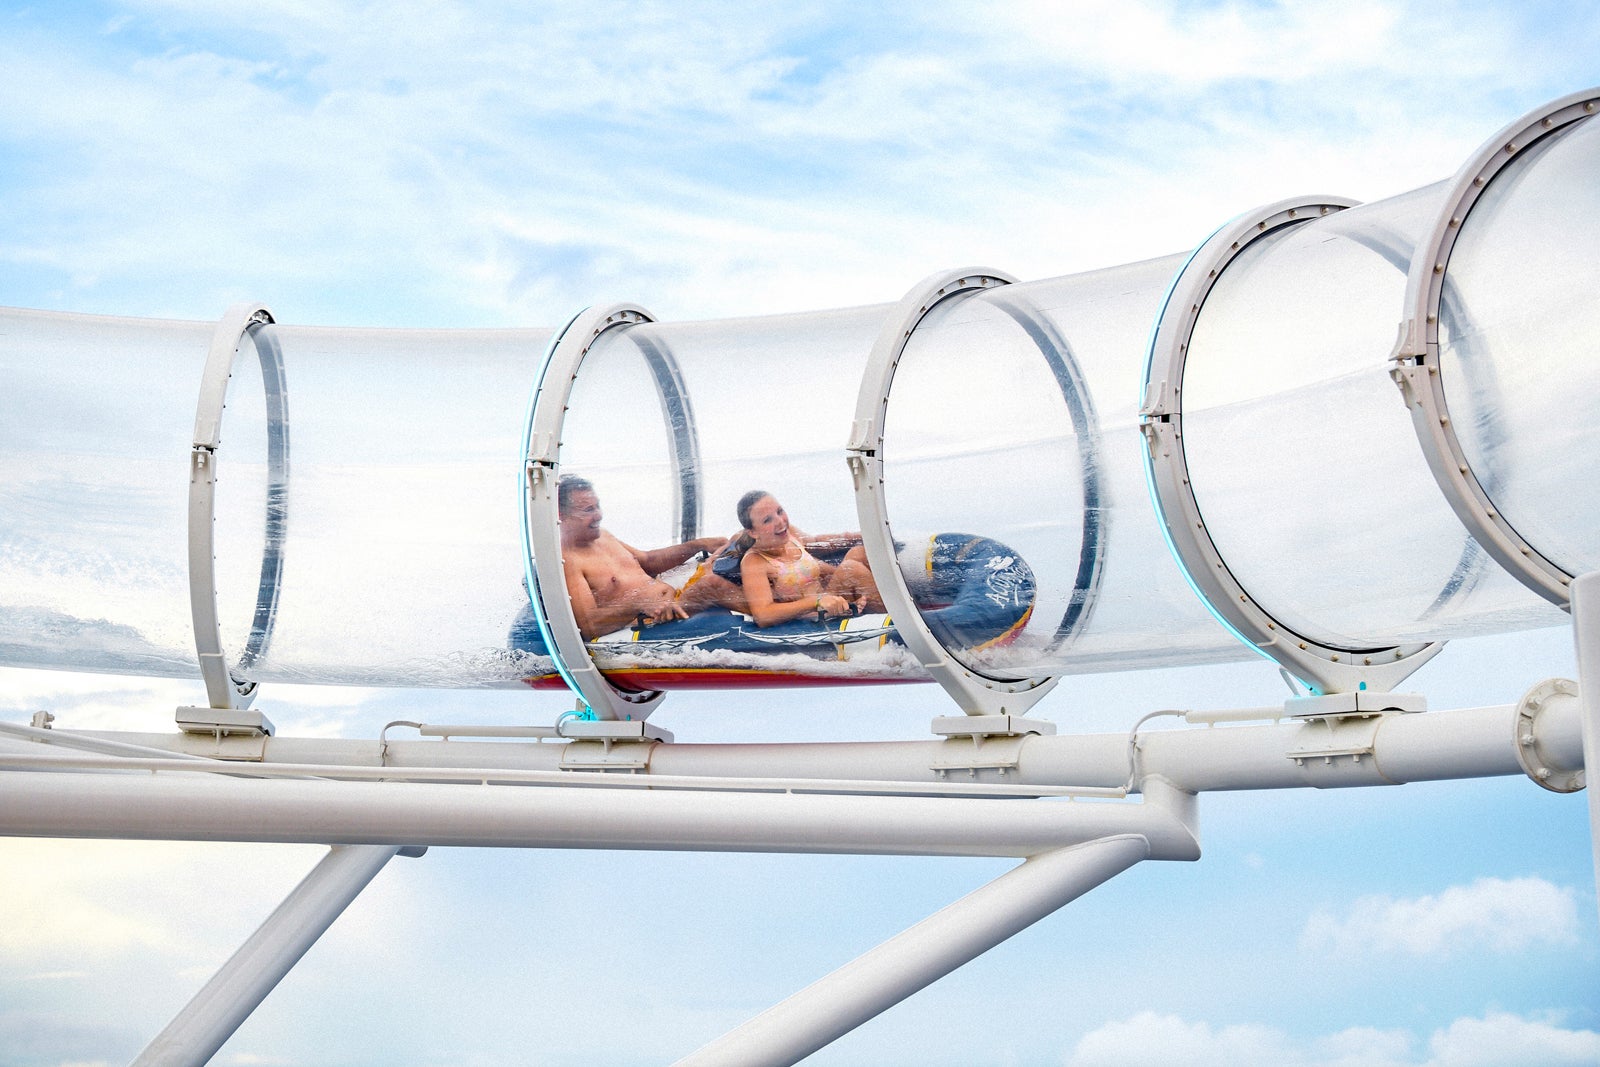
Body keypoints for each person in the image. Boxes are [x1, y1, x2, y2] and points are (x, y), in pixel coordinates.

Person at [558, 475, 743, 640]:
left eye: (597, 506)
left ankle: (767, 599)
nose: (598, 515)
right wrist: (639, 604)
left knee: (739, 539)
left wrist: (697, 545)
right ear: (561, 516)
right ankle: (767, 617)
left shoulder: (603, 536)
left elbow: (648, 561)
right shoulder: (567, 560)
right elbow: (589, 626)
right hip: (658, 619)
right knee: (712, 585)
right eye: (588, 510)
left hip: (677, 598)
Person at [734, 489, 884, 627]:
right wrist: (816, 602)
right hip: (813, 616)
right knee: (851, 569)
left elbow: (814, 547)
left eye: (780, 511)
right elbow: (763, 615)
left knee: (858, 553)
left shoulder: (789, 534)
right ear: (753, 532)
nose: (780, 521)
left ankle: (879, 608)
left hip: (829, 600)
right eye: (767, 520)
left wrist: (856, 537)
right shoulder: (754, 562)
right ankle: (894, 621)